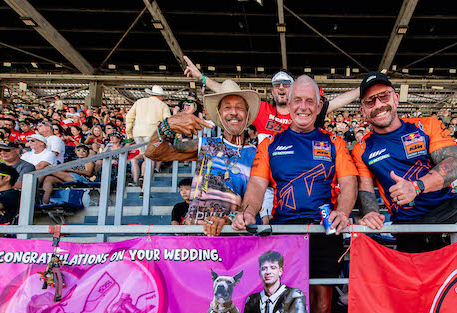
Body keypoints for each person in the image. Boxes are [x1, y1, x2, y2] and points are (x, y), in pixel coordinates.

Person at [232, 75, 358, 313]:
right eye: (297, 100)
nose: (303, 106)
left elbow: (349, 182)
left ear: (319, 105)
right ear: (288, 104)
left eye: (309, 101)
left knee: (322, 299)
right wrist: (247, 212)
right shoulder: (271, 144)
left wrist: (343, 211)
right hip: (284, 233)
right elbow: (257, 185)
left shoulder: (334, 142)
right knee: (282, 301)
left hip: (324, 231)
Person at [350, 71, 457, 252]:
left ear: (396, 98)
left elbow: (455, 164)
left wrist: (416, 186)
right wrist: (371, 212)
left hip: (447, 217)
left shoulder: (426, 125)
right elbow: (366, 189)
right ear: (363, 111)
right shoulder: (361, 148)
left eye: (384, 96)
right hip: (406, 227)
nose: (378, 104)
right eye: (370, 101)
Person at [145, 79, 263, 237]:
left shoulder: (258, 153)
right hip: (194, 236)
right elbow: (153, 153)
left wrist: (230, 219)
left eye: (239, 107)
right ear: (219, 115)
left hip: (233, 237)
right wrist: (166, 126)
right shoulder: (206, 144)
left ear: (247, 115)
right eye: (227, 107)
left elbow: (257, 200)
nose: (234, 112)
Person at [183, 55, 362, 142]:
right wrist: (202, 78)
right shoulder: (261, 109)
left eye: (286, 84)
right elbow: (230, 94)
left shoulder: (304, 111)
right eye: (277, 85)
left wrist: (365, 88)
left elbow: (338, 102)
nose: (281, 87)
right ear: (272, 91)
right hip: (266, 181)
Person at [125, 85, 171, 172]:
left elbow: (129, 117)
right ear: (161, 96)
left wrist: (129, 135)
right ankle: (146, 178)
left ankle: (143, 177)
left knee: (146, 157)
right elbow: (167, 122)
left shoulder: (139, 102)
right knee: (151, 158)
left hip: (138, 134)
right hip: (153, 134)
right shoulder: (163, 105)